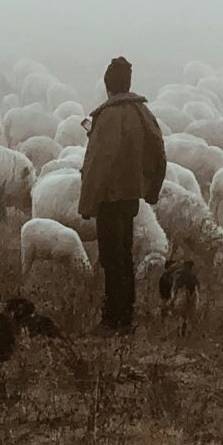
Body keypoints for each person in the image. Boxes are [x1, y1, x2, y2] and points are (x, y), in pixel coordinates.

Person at [77, 55, 165, 333]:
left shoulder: (108, 116)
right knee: (124, 254)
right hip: (130, 196)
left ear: (108, 86)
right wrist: (150, 188)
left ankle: (113, 319)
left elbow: (97, 163)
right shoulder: (142, 113)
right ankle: (126, 314)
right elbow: (158, 151)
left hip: (109, 197)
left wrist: (88, 202)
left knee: (110, 256)